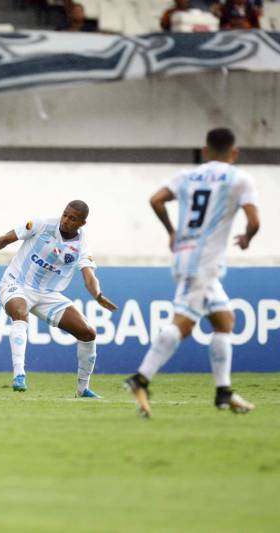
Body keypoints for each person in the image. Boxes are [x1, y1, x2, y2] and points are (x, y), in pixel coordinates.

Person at [125, 128, 260, 418]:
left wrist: (172, 231)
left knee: (224, 320)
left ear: (205, 151)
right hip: (204, 264)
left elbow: (156, 199)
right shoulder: (240, 179)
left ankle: (224, 392)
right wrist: (247, 238)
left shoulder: (186, 176)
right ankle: (141, 379)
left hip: (187, 258)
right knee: (183, 325)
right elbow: (254, 221)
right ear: (234, 153)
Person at [0, 201, 118, 397]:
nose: (65, 220)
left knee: (88, 332)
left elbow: (89, 276)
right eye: (65, 214)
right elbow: (5, 239)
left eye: (72, 218)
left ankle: (82, 389)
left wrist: (97, 295)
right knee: (20, 313)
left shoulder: (82, 246)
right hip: (16, 282)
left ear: (82, 223)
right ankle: (19, 375)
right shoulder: (42, 225)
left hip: (48, 294)